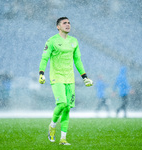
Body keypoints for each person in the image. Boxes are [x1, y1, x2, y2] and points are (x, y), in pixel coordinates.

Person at [38, 17, 93, 145]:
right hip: (56, 76)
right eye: (64, 23)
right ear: (58, 26)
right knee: (62, 103)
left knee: (67, 107)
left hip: (70, 78)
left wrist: (85, 77)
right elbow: (44, 57)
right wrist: (41, 73)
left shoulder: (74, 41)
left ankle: (63, 138)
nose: (68, 25)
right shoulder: (52, 41)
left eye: (69, 23)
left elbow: (77, 60)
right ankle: (52, 126)